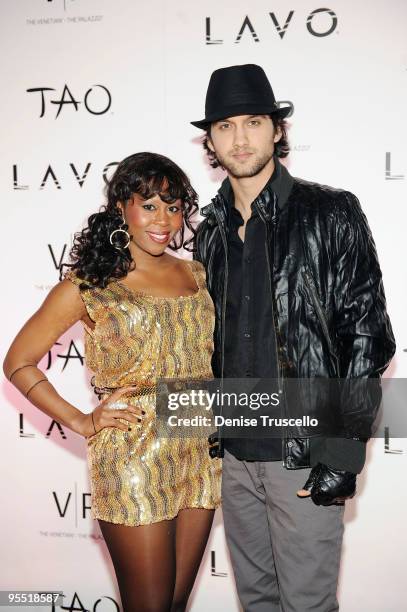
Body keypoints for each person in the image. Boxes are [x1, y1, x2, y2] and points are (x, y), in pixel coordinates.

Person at [191, 64, 395, 611]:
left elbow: (367, 338)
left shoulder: (330, 211)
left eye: (253, 122)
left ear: (277, 130)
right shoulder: (207, 234)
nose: (240, 139)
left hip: (301, 453)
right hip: (232, 455)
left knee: (306, 604)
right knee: (256, 601)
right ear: (209, 140)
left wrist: (342, 451)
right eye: (225, 126)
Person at [3, 152, 221, 612]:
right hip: (133, 452)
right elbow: (19, 362)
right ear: (121, 207)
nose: (164, 219)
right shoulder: (89, 285)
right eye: (149, 205)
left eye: (174, 205)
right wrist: (82, 420)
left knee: (177, 604)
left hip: (198, 447)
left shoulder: (196, 273)